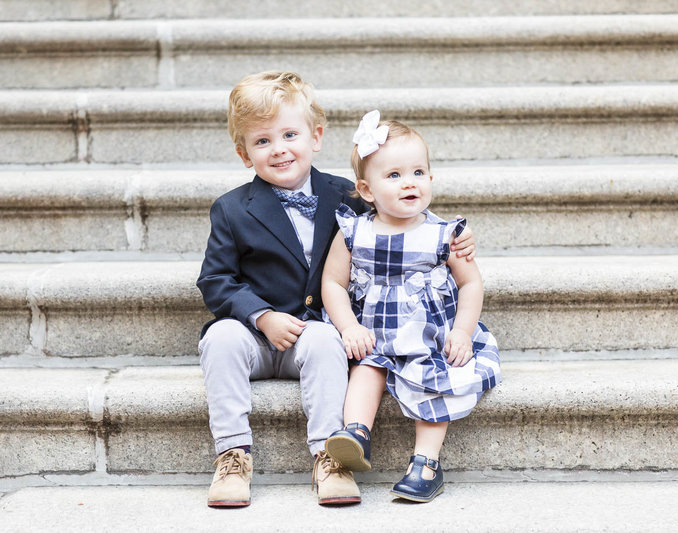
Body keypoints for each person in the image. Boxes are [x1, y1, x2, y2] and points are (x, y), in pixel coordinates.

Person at [196, 73, 476, 507]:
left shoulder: (346, 194)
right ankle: (233, 456)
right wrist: (261, 316)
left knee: (328, 338)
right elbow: (215, 280)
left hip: (316, 333)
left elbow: (401, 212)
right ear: (244, 154)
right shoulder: (232, 209)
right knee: (219, 337)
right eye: (263, 141)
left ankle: (331, 457)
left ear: (316, 137)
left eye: (290, 134)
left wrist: (455, 239)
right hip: (254, 333)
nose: (280, 148)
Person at [321, 110, 501, 503]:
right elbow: (332, 283)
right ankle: (356, 433)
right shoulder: (353, 231)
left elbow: (471, 284)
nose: (410, 183)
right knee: (368, 368)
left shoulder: (446, 234)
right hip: (375, 334)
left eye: (418, 172)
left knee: (434, 384)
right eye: (395, 175)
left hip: (429, 339)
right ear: (367, 190)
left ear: (431, 179)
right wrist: (349, 326)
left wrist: (462, 332)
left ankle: (426, 463)